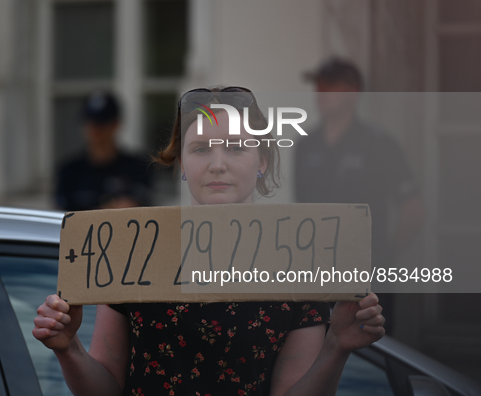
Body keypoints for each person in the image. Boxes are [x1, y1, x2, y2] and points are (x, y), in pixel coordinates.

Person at [34, 86, 385, 395]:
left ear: (262, 160)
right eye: (201, 149)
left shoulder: (296, 259)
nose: (218, 164)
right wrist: (69, 349)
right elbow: (105, 388)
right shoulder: (136, 247)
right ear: (183, 163)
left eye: (234, 148)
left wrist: (337, 345)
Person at [295, 58, 425, 335]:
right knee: (317, 351)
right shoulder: (306, 146)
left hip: (368, 278)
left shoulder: (379, 144)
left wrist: (384, 257)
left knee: (371, 356)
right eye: (318, 86)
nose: (320, 93)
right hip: (318, 276)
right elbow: (301, 211)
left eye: (329, 86)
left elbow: (413, 208)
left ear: (353, 92)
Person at [55, 91, 151, 211]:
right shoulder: (69, 172)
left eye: (101, 122)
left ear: (115, 124)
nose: (95, 129)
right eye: (90, 122)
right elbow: (63, 218)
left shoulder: (138, 168)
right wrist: (110, 210)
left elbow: (146, 210)